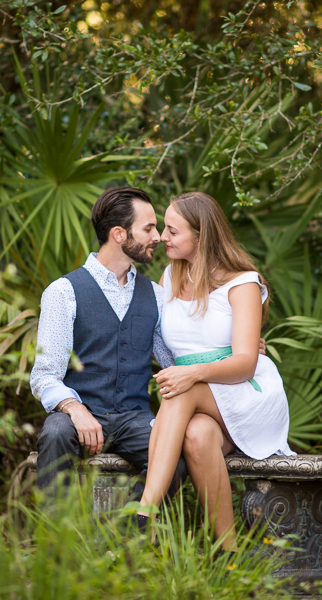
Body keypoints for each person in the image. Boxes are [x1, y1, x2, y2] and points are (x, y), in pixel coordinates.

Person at [137, 191, 295, 550]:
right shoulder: (170, 277)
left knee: (181, 388)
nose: (162, 236)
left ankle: (143, 514)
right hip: (199, 400)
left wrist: (192, 373)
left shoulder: (243, 283)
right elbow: (160, 341)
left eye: (172, 230)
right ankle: (230, 555)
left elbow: (244, 363)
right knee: (198, 436)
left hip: (246, 391)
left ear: (201, 236)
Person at [30, 185, 185, 496]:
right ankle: (56, 540)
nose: (158, 237)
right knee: (55, 432)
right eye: (148, 228)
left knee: (176, 458)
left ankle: (129, 534)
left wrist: (236, 349)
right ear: (119, 234)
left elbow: (177, 361)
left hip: (136, 419)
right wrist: (74, 408)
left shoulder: (155, 294)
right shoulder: (63, 292)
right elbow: (45, 375)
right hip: (81, 411)